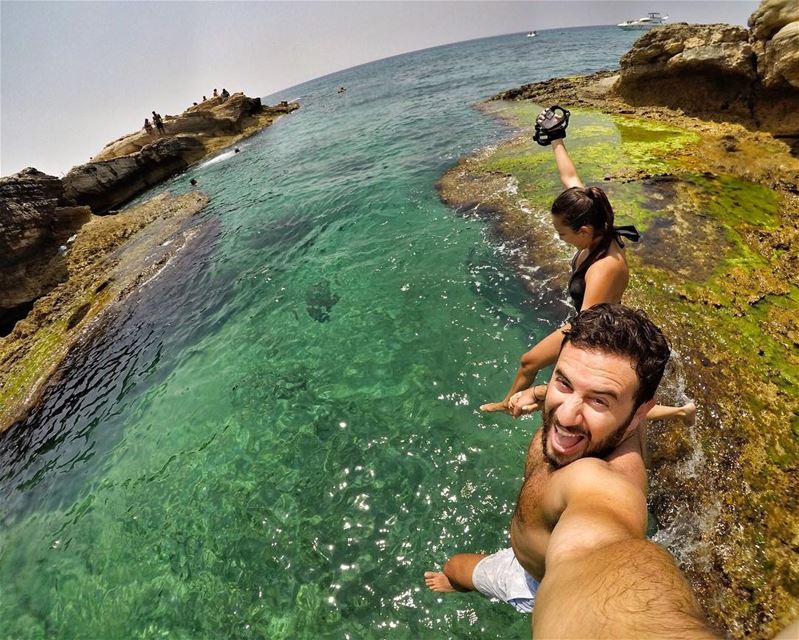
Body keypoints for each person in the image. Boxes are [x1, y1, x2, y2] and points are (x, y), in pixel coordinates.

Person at [425, 304, 715, 635]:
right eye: (564, 382)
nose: (565, 417)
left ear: (639, 413)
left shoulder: (604, 483)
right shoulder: (609, 409)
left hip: (537, 582)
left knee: (454, 568)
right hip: (544, 550)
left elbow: (607, 559)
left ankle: (456, 583)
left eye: (599, 401)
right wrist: (536, 392)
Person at [480, 109, 694, 423]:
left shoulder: (603, 267)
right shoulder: (596, 219)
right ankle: (680, 410)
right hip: (598, 313)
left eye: (561, 233)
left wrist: (544, 390)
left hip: (602, 327)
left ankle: (679, 412)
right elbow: (570, 179)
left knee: (547, 370)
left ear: (583, 231)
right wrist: (556, 140)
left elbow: (586, 327)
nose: (558, 236)